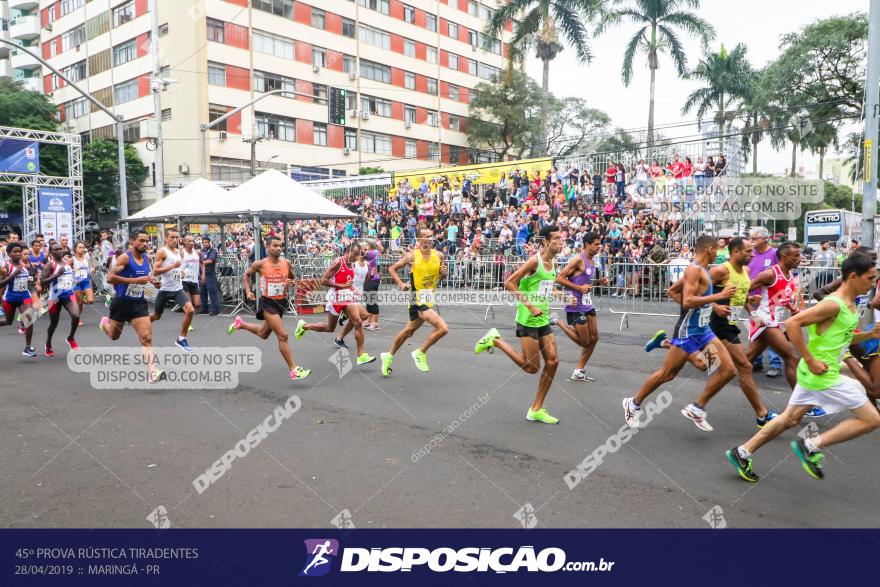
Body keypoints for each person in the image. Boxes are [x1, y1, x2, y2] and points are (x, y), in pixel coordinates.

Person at [727, 252, 880, 482]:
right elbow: (792, 323)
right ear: (852, 276)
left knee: (789, 419)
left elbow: (843, 337)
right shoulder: (833, 304)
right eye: (869, 279)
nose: (872, 284)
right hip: (822, 374)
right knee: (873, 419)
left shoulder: (849, 304)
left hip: (816, 373)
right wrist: (809, 359)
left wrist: (868, 334)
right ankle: (811, 445)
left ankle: (742, 452)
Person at [623, 235, 737, 432]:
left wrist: (714, 305)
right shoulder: (694, 270)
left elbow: (673, 291)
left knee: (725, 369)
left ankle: (697, 408)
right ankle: (632, 404)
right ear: (708, 249)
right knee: (668, 374)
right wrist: (719, 296)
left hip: (703, 330)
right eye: (717, 250)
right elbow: (687, 301)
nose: (718, 254)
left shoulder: (701, 270)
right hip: (687, 332)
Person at [660, 238, 779, 427]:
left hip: (730, 323)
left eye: (752, 251)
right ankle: (760, 414)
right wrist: (715, 305)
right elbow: (701, 293)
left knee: (704, 364)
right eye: (748, 251)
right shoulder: (720, 270)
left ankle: (669, 345)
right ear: (735, 252)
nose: (752, 255)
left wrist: (750, 305)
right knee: (743, 366)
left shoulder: (746, 271)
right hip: (717, 323)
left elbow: (737, 294)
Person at [474, 225, 564, 425]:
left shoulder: (553, 263)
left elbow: (543, 286)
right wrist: (531, 306)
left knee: (553, 362)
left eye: (562, 238)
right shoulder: (535, 261)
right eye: (557, 238)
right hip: (527, 319)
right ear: (546, 242)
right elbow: (509, 283)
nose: (561, 241)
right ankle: (496, 341)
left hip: (542, 319)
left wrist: (558, 294)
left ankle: (536, 409)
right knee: (532, 368)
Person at [228, 236, 311, 380]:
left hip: (281, 302)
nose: (279, 248)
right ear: (267, 248)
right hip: (267, 303)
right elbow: (246, 275)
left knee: (263, 333)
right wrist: (248, 291)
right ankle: (294, 370)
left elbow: (292, 277)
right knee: (283, 335)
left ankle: (240, 324)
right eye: (275, 245)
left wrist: (291, 281)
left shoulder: (287, 263)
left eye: (280, 245)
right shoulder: (260, 264)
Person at [380, 228, 449, 376]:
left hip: (429, 296)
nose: (431, 239)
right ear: (419, 240)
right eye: (427, 236)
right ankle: (420, 352)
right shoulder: (411, 257)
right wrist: (400, 284)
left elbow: (439, 278)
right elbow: (392, 269)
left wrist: (443, 274)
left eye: (432, 236)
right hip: (416, 297)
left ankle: (388, 355)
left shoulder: (439, 256)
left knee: (408, 331)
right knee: (443, 328)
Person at [99, 230, 165, 383]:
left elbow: (145, 276)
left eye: (147, 241)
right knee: (114, 336)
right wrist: (135, 281)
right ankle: (105, 324)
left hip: (138, 303)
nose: (145, 243)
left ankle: (152, 372)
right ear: (133, 241)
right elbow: (110, 278)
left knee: (146, 337)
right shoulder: (125, 258)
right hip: (121, 303)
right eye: (141, 241)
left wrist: (152, 281)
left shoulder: (146, 258)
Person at [294, 243, 375, 366]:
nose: (356, 257)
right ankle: (304, 326)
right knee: (330, 328)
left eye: (358, 255)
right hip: (336, 296)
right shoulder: (338, 262)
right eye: (355, 254)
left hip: (347, 295)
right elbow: (324, 281)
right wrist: (342, 286)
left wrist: (354, 290)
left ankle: (361, 355)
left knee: (361, 318)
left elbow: (348, 282)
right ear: (348, 251)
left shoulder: (352, 264)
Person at [552, 232, 608, 382]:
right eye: (596, 244)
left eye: (599, 244)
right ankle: (557, 321)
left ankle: (578, 370)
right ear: (587, 244)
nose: (599, 247)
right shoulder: (578, 259)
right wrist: (579, 287)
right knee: (584, 341)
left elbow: (585, 283)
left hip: (587, 303)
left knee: (594, 338)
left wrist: (598, 282)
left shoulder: (592, 261)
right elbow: (560, 278)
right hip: (574, 303)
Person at [746, 241, 802, 389]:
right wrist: (752, 313)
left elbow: (782, 295)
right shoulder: (770, 274)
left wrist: (791, 307)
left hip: (772, 322)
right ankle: (802, 403)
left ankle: (723, 374)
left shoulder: (789, 275)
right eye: (796, 255)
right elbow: (741, 292)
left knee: (746, 361)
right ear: (784, 256)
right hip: (764, 321)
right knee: (791, 358)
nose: (800, 258)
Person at [149, 228, 195, 352]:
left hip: (177, 289)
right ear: (166, 238)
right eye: (172, 237)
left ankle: (181, 339)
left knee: (190, 310)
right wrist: (172, 266)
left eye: (176, 237)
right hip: (164, 289)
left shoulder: (179, 252)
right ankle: (141, 323)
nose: (175, 240)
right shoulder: (162, 252)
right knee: (156, 316)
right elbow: (155, 270)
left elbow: (177, 270)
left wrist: (181, 273)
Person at [748, 227, 784, 376]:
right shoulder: (750, 254)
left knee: (771, 331)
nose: (751, 241)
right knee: (755, 330)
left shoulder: (775, 254)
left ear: (764, 239)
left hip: (771, 300)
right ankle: (756, 361)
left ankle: (775, 364)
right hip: (752, 298)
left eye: (754, 238)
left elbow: (782, 273)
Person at [41, 243, 81, 356]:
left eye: (60, 249)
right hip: (54, 297)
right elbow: (43, 282)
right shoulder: (49, 265)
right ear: (51, 253)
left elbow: (69, 278)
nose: (59, 251)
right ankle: (48, 343)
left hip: (68, 294)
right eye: (56, 250)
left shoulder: (67, 264)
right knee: (54, 323)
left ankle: (71, 338)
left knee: (76, 316)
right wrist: (57, 274)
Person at [0, 241, 37, 356]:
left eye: (20, 252)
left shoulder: (24, 265)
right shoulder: (6, 266)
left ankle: (28, 347)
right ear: (9, 254)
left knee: (29, 319)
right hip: (10, 297)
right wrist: (13, 275)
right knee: (8, 321)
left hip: (24, 296)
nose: (18, 254)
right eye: (15, 252)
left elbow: (27, 281)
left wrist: (31, 282)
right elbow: (1, 284)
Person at [71, 241, 94, 326]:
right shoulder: (72, 259)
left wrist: (92, 269)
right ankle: (77, 318)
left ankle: (83, 297)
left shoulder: (87, 257)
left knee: (91, 300)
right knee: (79, 303)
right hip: (76, 283)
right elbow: (66, 269)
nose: (82, 249)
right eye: (80, 247)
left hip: (86, 281)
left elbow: (92, 266)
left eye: (83, 247)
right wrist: (75, 270)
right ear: (75, 249)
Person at [180, 235, 203, 316]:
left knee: (197, 304)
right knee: (188, 304)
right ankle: (187, 322)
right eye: (189, 241)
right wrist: (179, 272)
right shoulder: (181, 252)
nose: (191, 243)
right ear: (184, 242)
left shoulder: (197, 253)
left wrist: (203, 275)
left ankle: (188, 317)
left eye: (192, 241)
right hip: (184, 281)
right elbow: (175, 264)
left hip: (194, 280)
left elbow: (202, 264)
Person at [198, 237, 220, 315]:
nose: (206, 243)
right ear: (202, 243)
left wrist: (201, 262)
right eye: (205, 242)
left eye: (208, 242)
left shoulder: (213, 251)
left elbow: (210, 260)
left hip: (210, 274)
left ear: (210, 243)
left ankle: (215, 308)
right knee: (202, 292)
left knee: (212, 291)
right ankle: (204, 307)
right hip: (201, 274)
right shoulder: (201, 251)